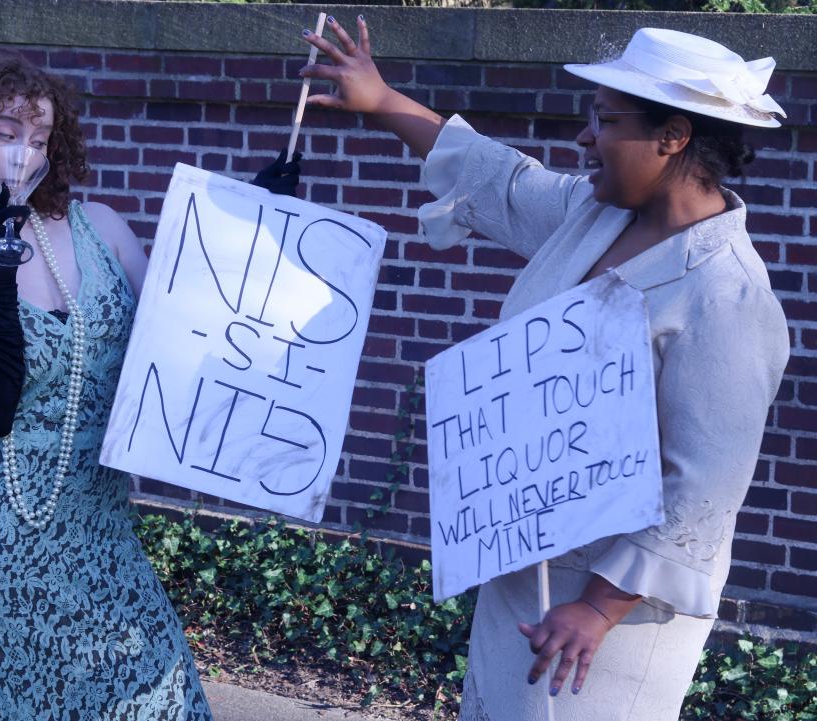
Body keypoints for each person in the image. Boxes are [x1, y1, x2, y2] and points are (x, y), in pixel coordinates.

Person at [299, 19, 790, 721]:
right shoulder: (593, 217)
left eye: (608, 119)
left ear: (673, 137)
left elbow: (704, 488)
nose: (586, 136)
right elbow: (499, 178)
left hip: (611, 617)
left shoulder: (727, 297)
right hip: (519, 577)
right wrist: (380, 100)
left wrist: (596, 606)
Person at [0, 54, 299, 720]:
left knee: (154, 695)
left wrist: (253, 225)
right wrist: (1, 269)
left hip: (101, 519)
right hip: (5, 531)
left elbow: (184, 332)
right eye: (5, 132)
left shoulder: (100, 227)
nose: (25, 151)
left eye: (40, 136)